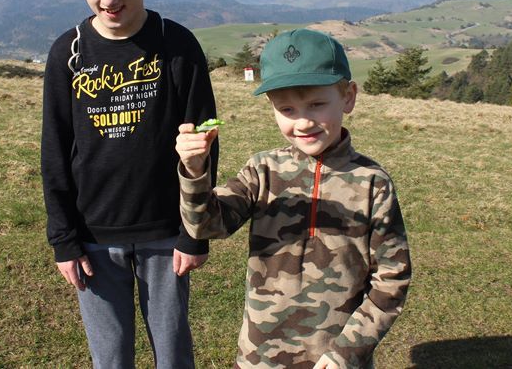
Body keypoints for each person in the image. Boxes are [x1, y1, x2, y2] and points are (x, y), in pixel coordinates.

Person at [176, 28, 411, 369]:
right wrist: (195, 170)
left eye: (317, 104)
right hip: (259, 358)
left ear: (348, 97)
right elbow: (206, 226)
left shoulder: (372, 184)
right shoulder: (262, 170)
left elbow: (392, 278)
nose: (303, 122)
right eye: (287, 109)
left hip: (335, 360)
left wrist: (347, 352)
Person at [41, 0, 217, 368]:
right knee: (111, 357)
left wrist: (194, 232)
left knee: (173, 352)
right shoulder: (68, 52)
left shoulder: (177, 44)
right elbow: (55, 152)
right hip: (93, 235)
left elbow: (203, 146)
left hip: (166, 232)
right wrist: (64, 240)